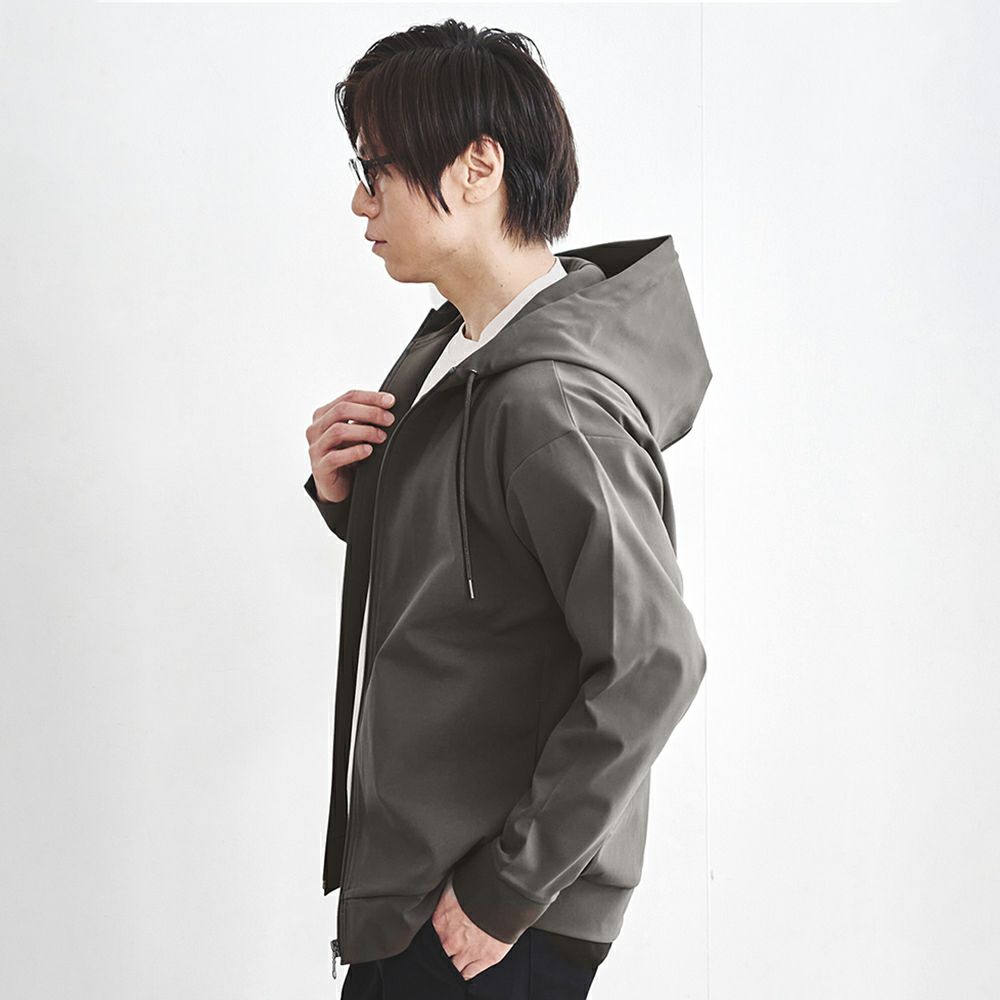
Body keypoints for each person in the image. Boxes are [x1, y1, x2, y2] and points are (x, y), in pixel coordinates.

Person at [303, 18, 712, 998]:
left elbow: (654, 659)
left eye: (375, 168)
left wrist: (504, 890)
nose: (360, 200)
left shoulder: (548, 400)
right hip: (422, 887)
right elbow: (480, 571)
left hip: (483, 916)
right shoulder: (455, 349)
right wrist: (349, 494)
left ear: (477, 165)